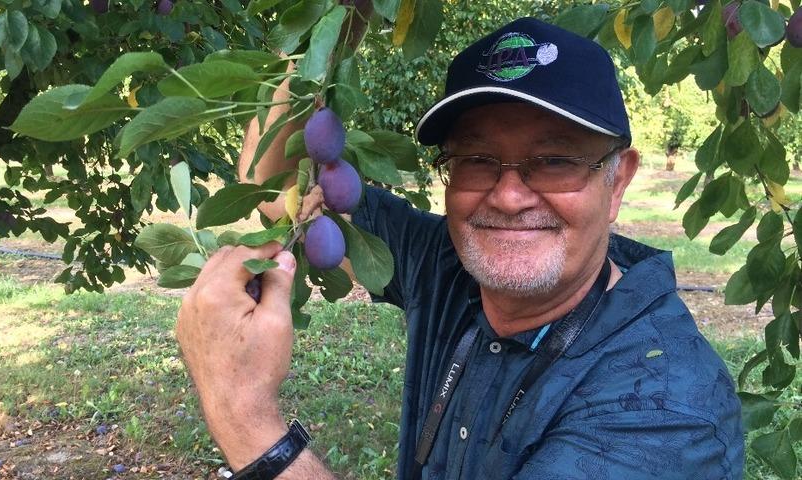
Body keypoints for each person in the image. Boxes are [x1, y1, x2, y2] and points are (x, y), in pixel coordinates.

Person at [175, 17, 744, 480]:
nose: (509, 194)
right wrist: (325, 32)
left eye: (556, 160)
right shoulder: (449, 266)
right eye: (476, 158)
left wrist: (243, 411)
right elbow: (278, 184)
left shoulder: (663, 409)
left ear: (617, 181)